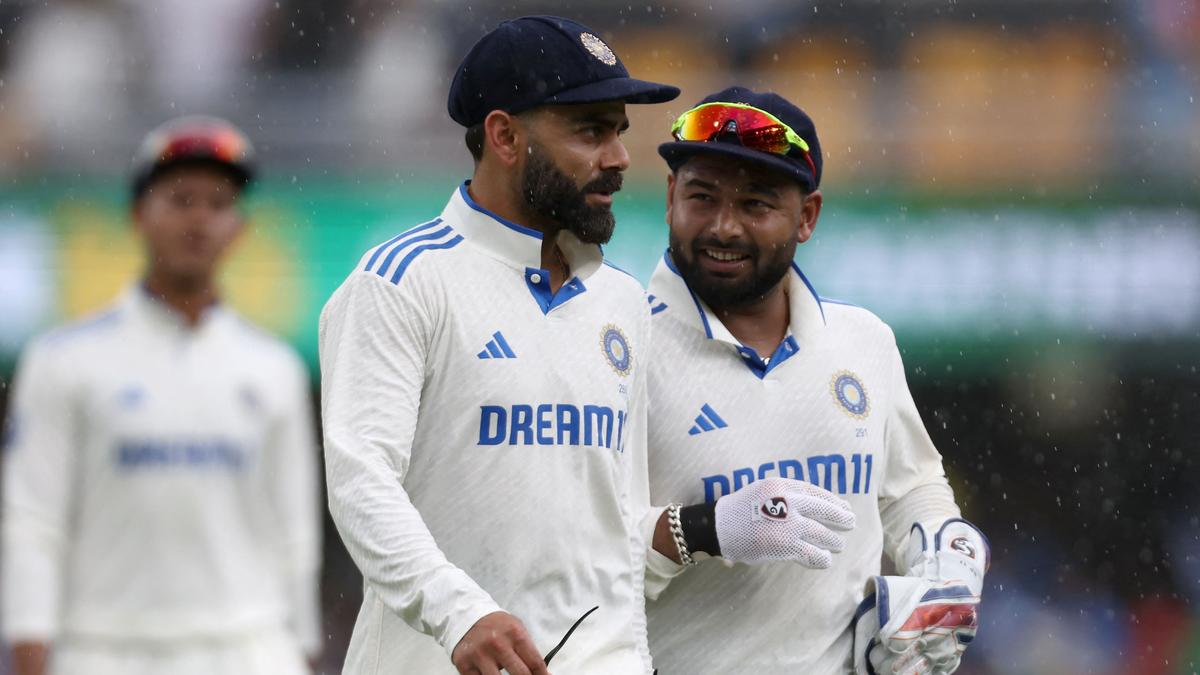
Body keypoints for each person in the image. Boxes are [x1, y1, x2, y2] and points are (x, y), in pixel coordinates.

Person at [319, 16, 857, 675]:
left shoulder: (621, 303)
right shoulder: (400, 282)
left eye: (620, 132)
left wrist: (707, 528)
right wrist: (458, 611)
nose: (619, 157)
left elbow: (613, 541)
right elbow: (361, 484)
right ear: (504, 136)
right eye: (590, 131)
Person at [641, 86, 990, 674]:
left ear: (807, 217)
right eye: (702, 197)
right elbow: (574, 560)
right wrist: (704, 530)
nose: (724, 227)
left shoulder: (864, 340)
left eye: (756, 205)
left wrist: (944, 561)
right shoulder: (617, 347)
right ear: (672, 195)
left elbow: (910, 489)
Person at [1, 116, 322, 675]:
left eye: (218, 203)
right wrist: (30, 644)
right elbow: (32, 519)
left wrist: (300, 644)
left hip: (246, 647)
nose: (199, 218)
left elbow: (293, 530)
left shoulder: (274, 368)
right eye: (180, 199)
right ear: (138, 217)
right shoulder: (62, 359)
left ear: (240, 229)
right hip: (102, 649)